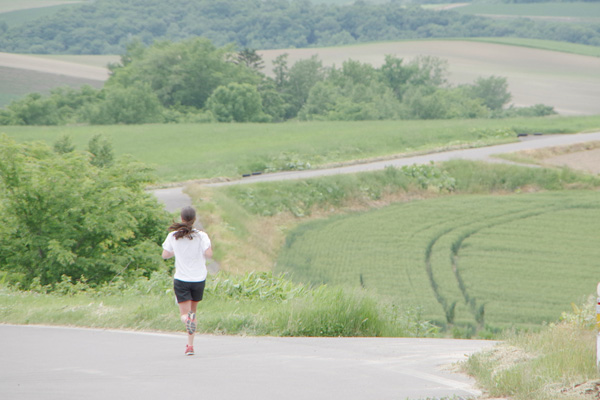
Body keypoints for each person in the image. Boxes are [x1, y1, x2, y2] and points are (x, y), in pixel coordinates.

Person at [162, 206, 212, 356]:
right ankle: (190, 346)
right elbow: (209, 254)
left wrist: (175, 251)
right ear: (194, 219)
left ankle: (186, 321)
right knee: (193, 313)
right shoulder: (201, 236)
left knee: (186, 315)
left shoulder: (173, 236)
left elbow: (165, 255)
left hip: (182, 279)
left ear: (181, 219)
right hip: (198, 279)